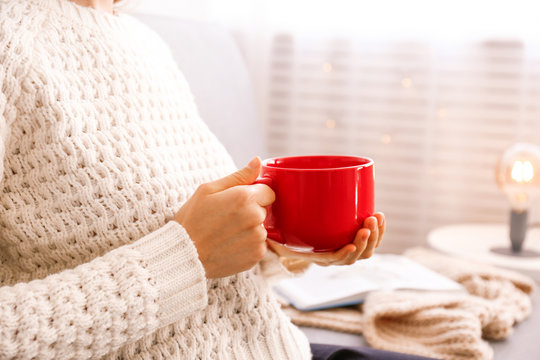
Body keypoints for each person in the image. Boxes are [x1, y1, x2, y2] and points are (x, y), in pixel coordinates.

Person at [0, 1, 433, 359]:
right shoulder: (11, 43)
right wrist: (189, 258)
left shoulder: (144, 42)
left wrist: (284, 249)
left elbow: (201, 258)